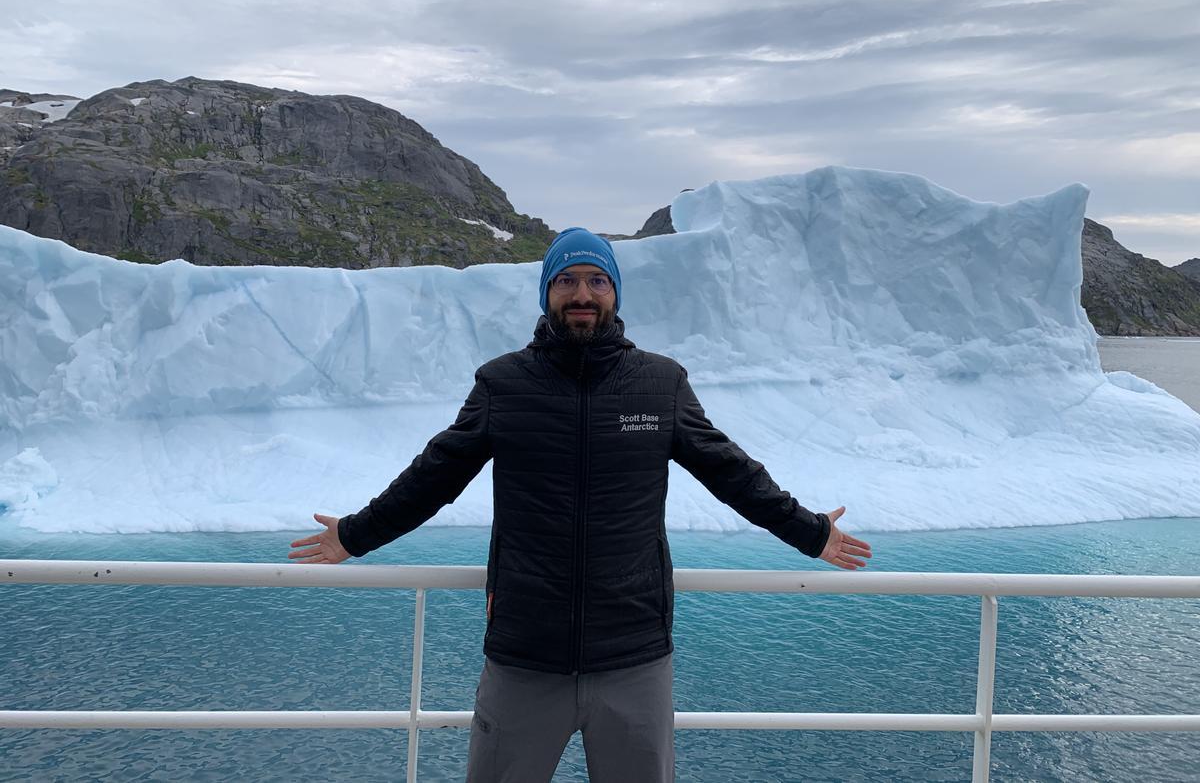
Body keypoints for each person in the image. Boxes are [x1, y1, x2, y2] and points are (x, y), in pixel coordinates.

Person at [288, 227, 872, 782]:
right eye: (567, 281)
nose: (583, 294)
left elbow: (731, 472)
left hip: (633, 653)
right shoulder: (503, 384)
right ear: (547, 293)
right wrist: (354, 535)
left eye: (597, 280)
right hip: (524, 653)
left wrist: (810, 532)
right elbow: (434, 475)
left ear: (615, 292)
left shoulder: (659, 385)